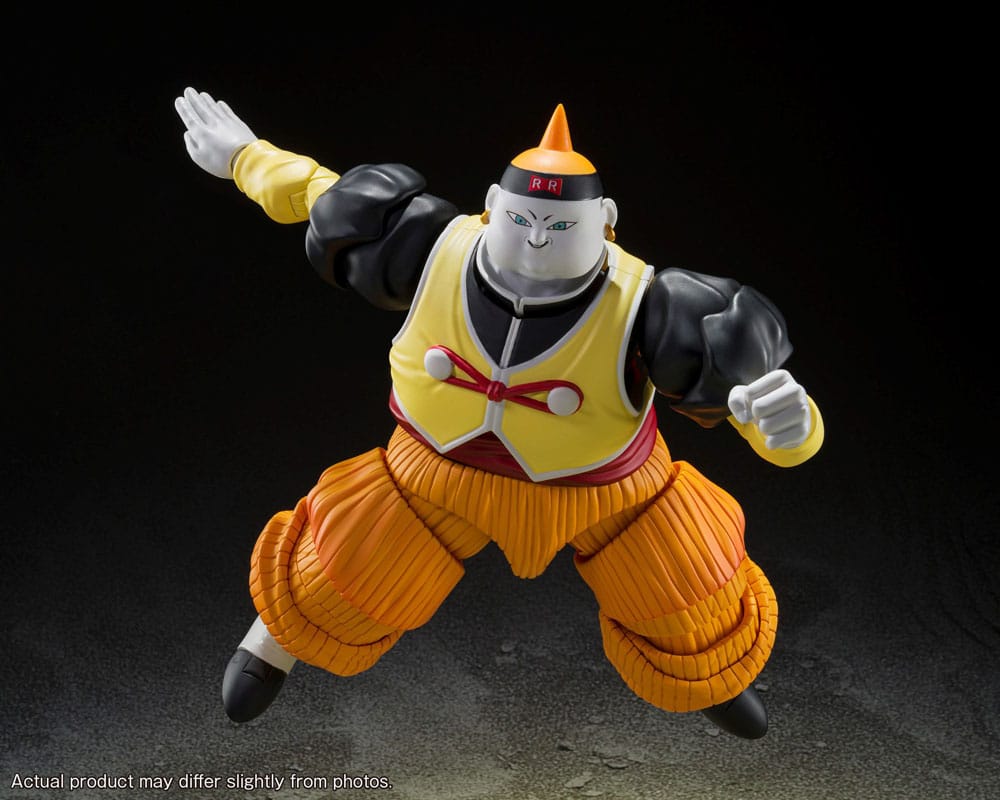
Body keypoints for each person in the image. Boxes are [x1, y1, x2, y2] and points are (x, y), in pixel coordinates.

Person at [174, 87, 824, 739]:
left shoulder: (655, 303)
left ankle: (715, 677)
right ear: (491, 205)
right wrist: (244, 157)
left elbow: (754, 400)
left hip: (609, 490)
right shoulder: (427, 246)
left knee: (690, 583)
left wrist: (789, 431)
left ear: (606, 220)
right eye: (521, 218)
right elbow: (318, 192)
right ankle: (270, 646)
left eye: (560, 226)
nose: (537, 237)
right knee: (343, 563)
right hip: (432, 474)